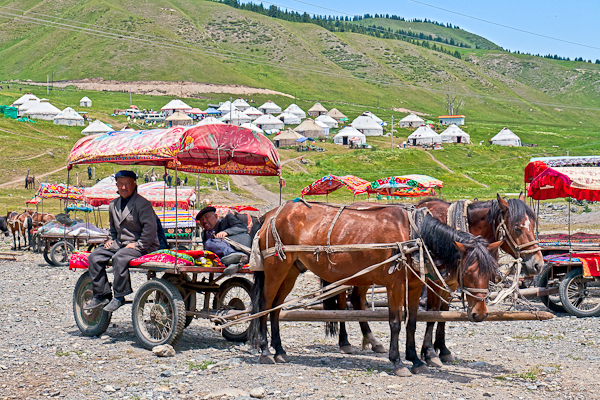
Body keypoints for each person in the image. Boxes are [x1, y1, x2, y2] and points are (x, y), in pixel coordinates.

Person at [84, 170, 159, 312]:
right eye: (120, 184)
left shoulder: (143, 204)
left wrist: (138, 245)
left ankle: (119, 296)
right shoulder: (113, 204)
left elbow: (150, 230)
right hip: (121, 244)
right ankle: (102, 294)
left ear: (134, 184)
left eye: (127, 184)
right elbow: (113, 230)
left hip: (144, 245)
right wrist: (110, 240)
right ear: (116, 185)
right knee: (95, 256)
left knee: (119, 257)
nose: (123, 187)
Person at [196, 206, 250, 275]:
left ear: (216, 216)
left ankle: (234, 255)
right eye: (201, 219)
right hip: (223, 258)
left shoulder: (227, 219)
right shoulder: (204, 234)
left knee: (208, 243)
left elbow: (243, 227)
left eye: (206, 217)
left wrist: (226, 232)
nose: (204, 221)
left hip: (240, 247)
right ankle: (235, 263)